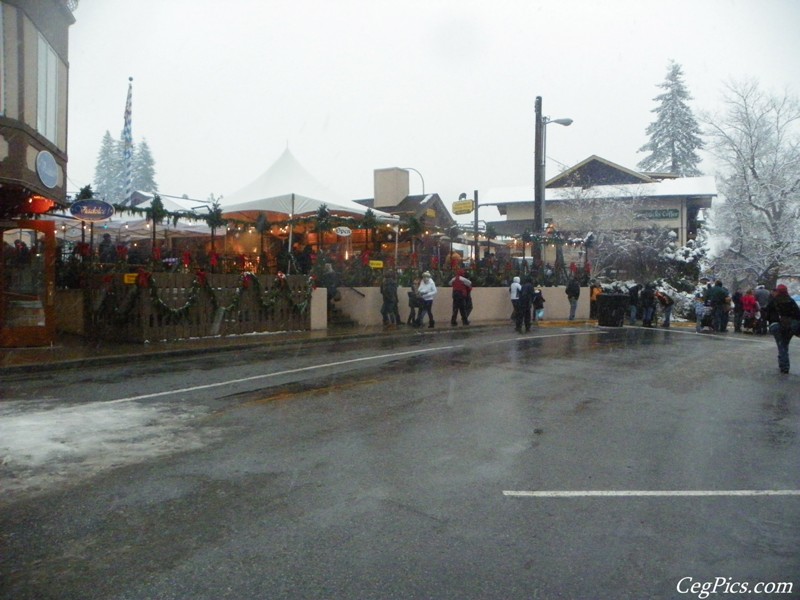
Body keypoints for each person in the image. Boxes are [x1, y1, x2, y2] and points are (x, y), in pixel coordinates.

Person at [763, 284, 800, 374]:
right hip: (790, 327)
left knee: (781, 345)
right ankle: (783, 364)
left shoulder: (774, 301)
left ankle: (784, 366)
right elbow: (798, 314)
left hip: (777, 326)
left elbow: (766, 314)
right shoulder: (791, 301)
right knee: (784, 345)